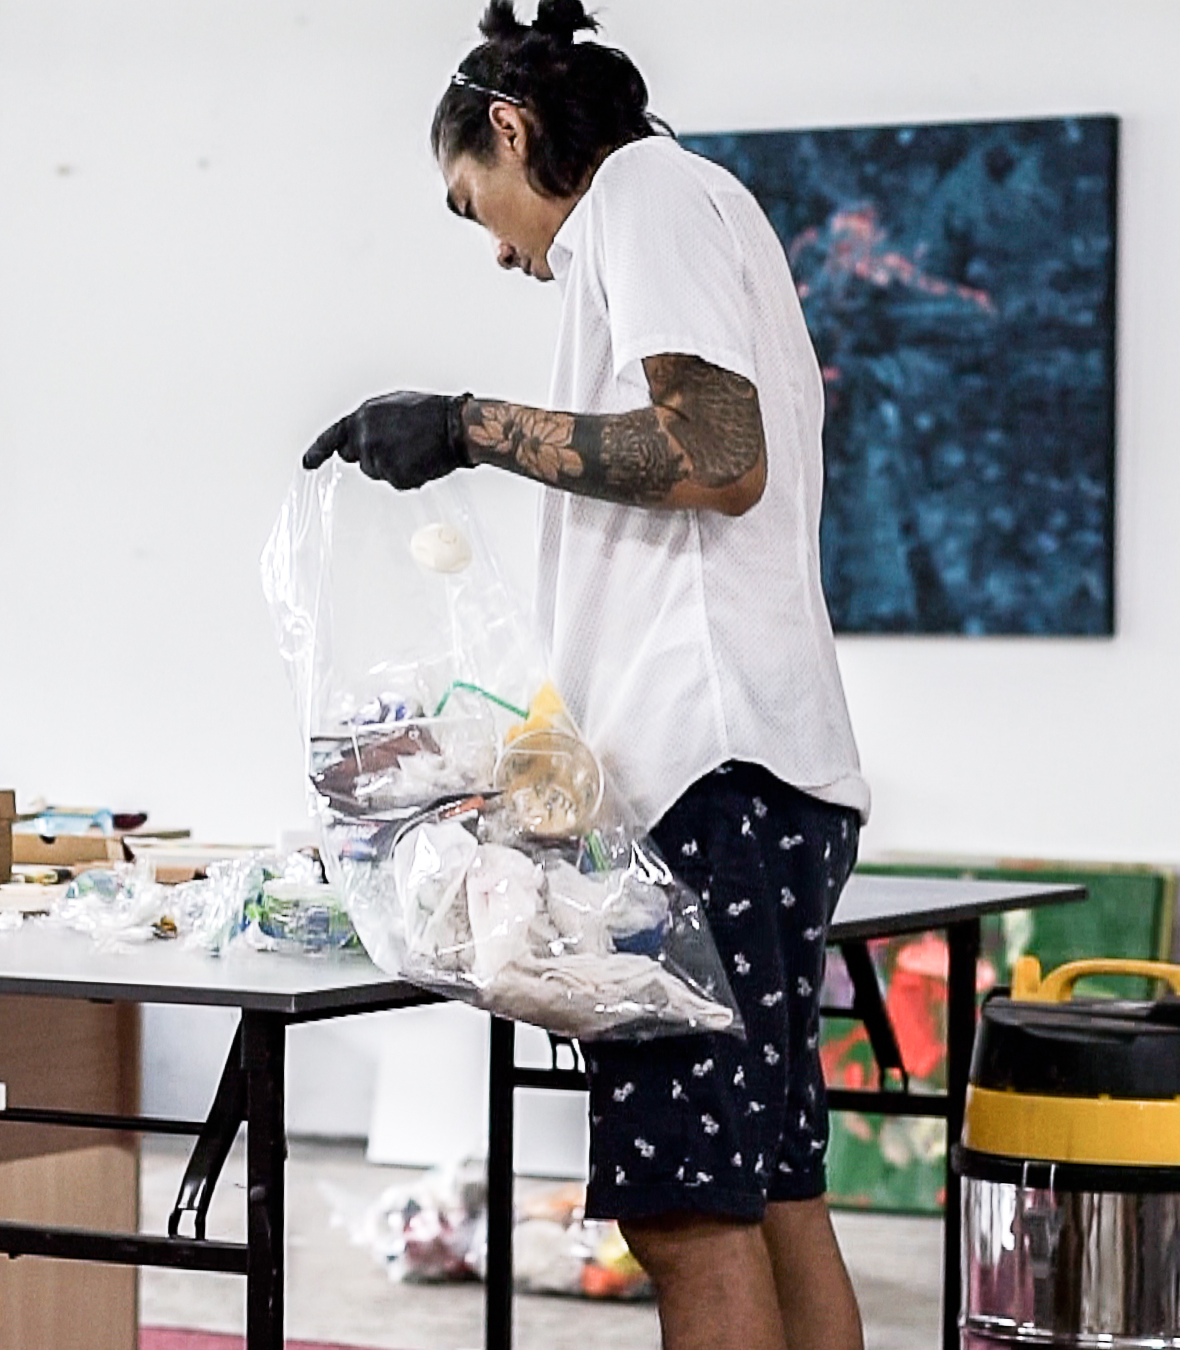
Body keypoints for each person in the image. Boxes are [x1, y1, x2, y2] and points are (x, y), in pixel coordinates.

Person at [300, 4, 872, 1348]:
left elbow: (714, 454)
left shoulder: (644, 197)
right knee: (775, 1193)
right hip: (763, 770)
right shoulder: (707, 204)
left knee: (690, 1215)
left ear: (510, 130)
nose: (502, 250)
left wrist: (465, 426)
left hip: (712, 779)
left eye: (474, 206)